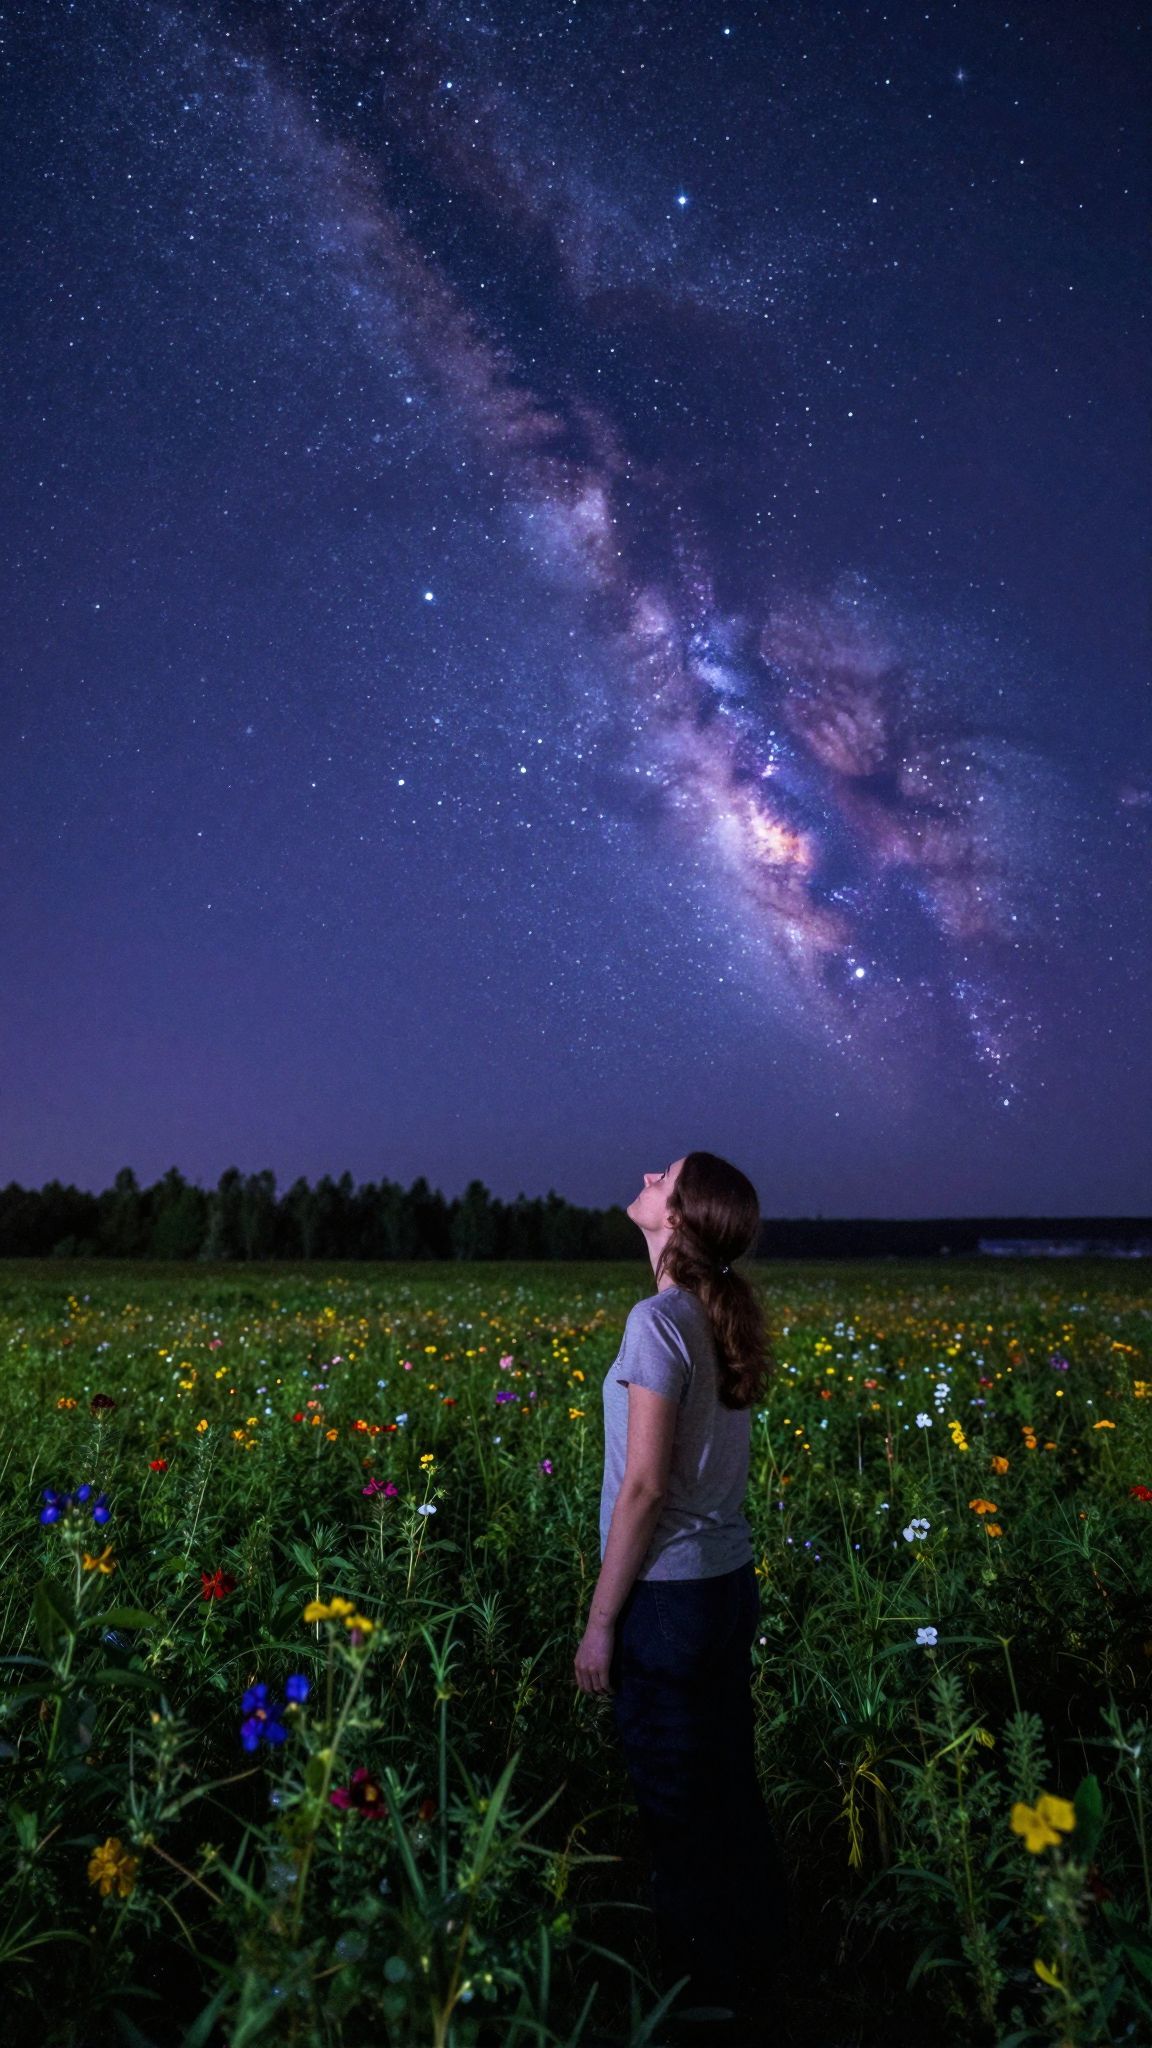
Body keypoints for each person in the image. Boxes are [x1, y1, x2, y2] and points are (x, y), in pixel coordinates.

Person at [574, 1152, 792, 2044]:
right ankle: (766, 1979)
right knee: (727, 1795)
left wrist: (599, 1623)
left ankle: (699, 2014)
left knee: (677, 1817)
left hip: (666, 1603)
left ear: (680, 1219)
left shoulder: (659, 1320)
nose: (646, 1176)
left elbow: (644, 1489)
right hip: (724, 1589)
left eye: (662, 1177)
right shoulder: (713, 1318)